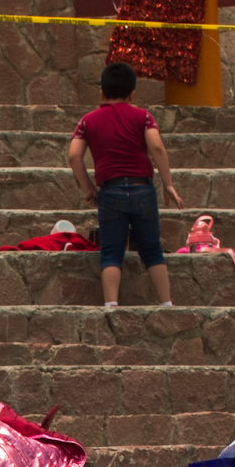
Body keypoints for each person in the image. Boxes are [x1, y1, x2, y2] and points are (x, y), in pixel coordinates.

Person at [67, 61, 184, 311]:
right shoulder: (143, 117)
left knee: (111, 251)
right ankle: (167, 303)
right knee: (152, 249)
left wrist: (89, 188)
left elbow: (74, 156)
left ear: (101, 92)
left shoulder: (88, 121)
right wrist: (168, 184)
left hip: (110, 191)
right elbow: (156, 147)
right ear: (132, 93)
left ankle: (111, 305)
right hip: (143, 188)